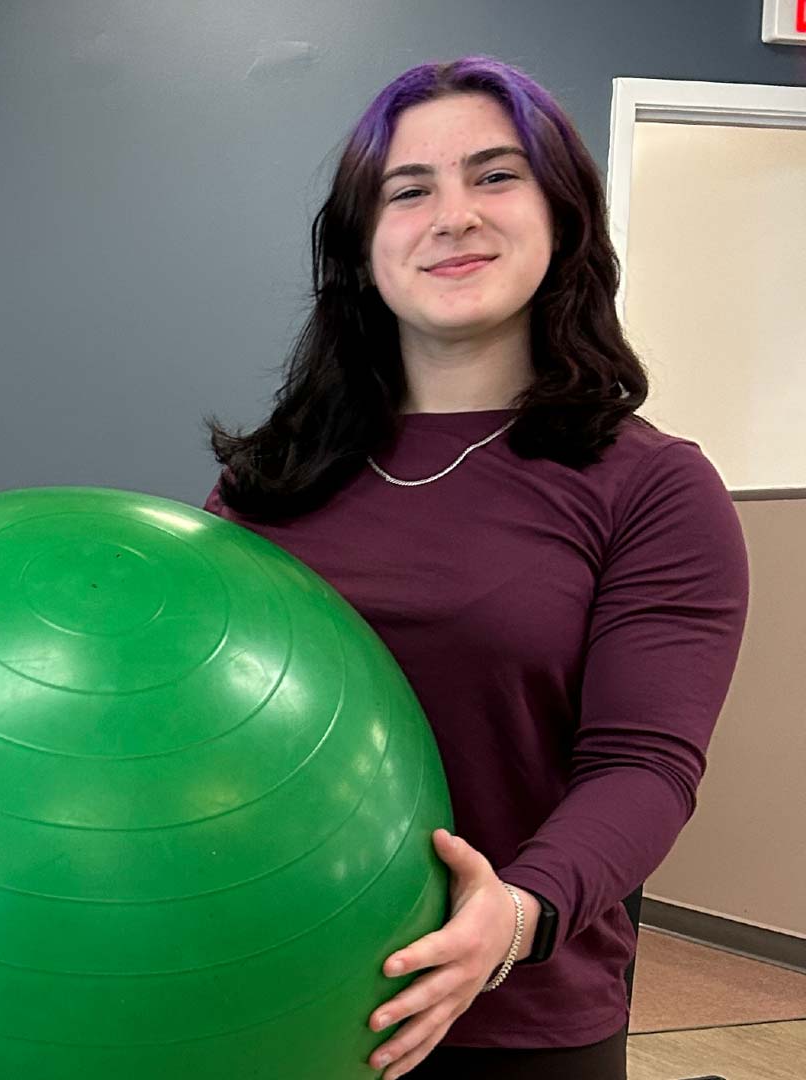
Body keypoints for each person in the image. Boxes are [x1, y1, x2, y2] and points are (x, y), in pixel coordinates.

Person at [204, 56, 747, 1080]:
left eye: (496, 177)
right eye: (410, 190)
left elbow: (644, 769)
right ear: (364, 248)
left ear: (564, 217)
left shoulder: (655, 488)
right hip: (261, 1001)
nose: (453, 216)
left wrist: (517, 918)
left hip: (513, 1025)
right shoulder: (266, 481)